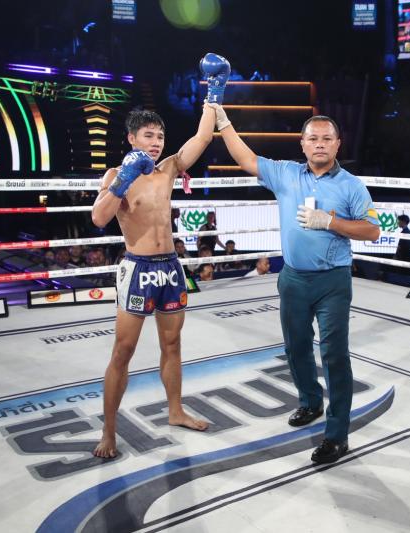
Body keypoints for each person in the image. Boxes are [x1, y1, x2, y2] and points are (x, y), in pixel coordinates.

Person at [211, 103, 380, 464]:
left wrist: (331, 222)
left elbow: (372, 230)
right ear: (302, 144)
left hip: (333, 280)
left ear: (338, 144)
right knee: (296, 347)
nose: (320, 144)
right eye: (313, 138)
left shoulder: (352, 186)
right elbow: (246, 158)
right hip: (292, 278)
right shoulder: (286, 174)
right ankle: (310, 401)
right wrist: (224, 123)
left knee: (334, 355)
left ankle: (337, 436)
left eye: (327, 139)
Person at [90, 101, 218, 458]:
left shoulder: (169, 168)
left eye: (160, 136)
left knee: (172, 344)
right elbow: (99, 218)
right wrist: (124, 180)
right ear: (132, 138)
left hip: (170, 268)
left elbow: (202, 138)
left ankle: (175, 411)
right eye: (149, 136)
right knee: (123, 351)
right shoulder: (115, 174)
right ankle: (109, 431)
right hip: (138, 268)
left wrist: (213, 97)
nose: (156, 142)